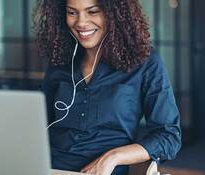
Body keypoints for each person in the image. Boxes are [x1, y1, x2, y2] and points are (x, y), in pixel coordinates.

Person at [35, 0, 181, 174]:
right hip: (50, 169)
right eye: (72, 12)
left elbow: (168, 137)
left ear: (114, 13)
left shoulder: (145, 62)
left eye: (93, 11)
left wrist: (113, 157)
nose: (81, 22)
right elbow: (38, 125)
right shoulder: (60, 60)